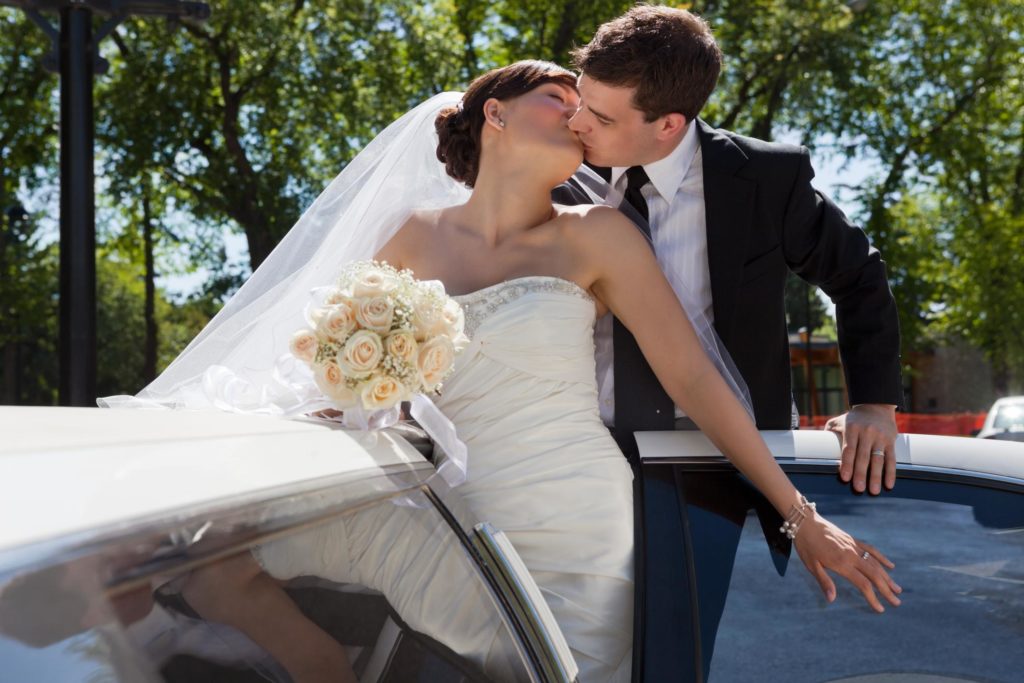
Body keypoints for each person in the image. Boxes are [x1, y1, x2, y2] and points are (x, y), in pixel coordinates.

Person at [161, 61, 900, 683]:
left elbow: (694, 379)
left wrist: (801, 516)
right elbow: (338, 374)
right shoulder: (413, 239)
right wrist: (348, 402)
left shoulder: (598, 235)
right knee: (215, 554)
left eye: (588, 112)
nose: (581, 118)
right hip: (461, 522)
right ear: (495, 115)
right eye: (561, 98)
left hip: (583, 532)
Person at [555, 6, 904, 497]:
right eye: (580, 99)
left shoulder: (767, 180)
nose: (577, 122)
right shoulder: (553, 175)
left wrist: (874, 404)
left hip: (735, 465)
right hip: (583, 456)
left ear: (669, 125)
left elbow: (859, 276)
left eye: (602, 116)